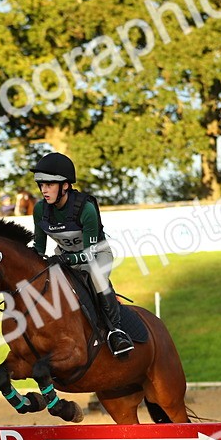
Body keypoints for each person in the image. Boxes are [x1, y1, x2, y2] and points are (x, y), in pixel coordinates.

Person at [30, 151, 133, 356]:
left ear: (65, 186)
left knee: (96, 277)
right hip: (64, 257)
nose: (44, 190)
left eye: (49, 184)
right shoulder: (40, 209)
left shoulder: (85, 209)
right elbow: (38, 248)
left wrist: (66, 259)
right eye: (41, 185)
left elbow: (89, 254)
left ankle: (116, 330)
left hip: (97, 254)